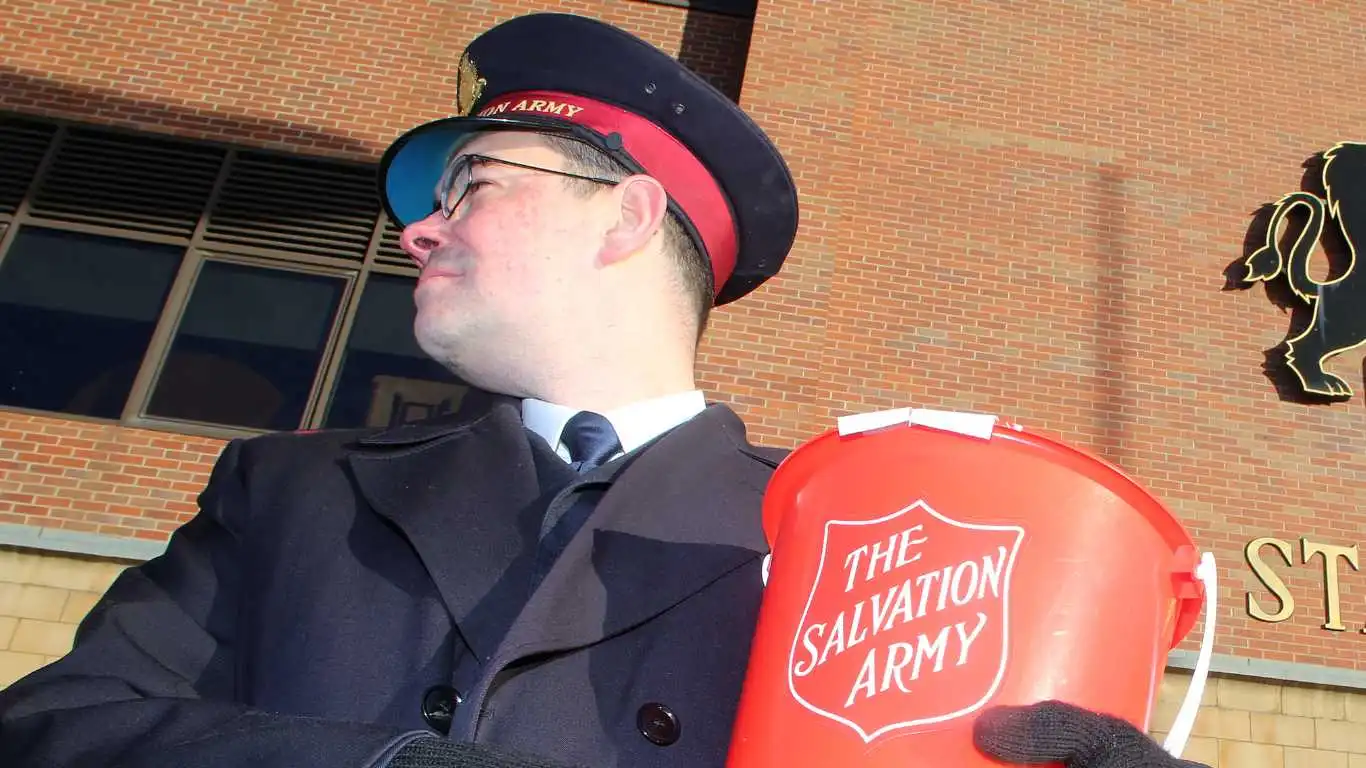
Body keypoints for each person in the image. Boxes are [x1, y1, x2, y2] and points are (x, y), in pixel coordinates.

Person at [0, 12, 1207, 768]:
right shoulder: (294, 490)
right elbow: (50, 729)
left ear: (628, 216)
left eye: (472, 184)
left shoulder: (857, 545)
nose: (419, 230)